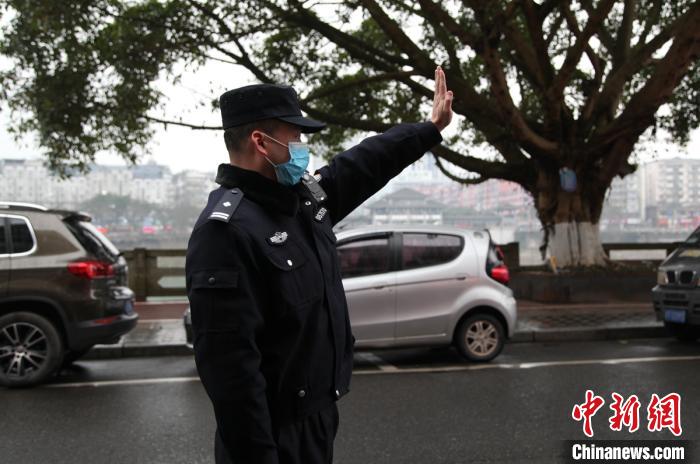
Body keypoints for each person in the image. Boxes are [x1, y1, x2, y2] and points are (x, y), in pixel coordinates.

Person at [186, 66, 453, 464]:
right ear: (261, 142)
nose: (301, 148)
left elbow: (362, 165)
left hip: (318, 418)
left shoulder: (300, 200)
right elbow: (233, 380)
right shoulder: (225, 232)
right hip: (276, 436)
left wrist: (429, 129)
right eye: (294, 137)